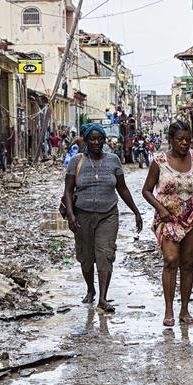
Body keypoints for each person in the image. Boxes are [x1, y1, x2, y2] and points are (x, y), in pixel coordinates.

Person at [63, 123, 143, 313]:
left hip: (108, 214)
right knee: (86, 257)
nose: (97, 142)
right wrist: (71, 216)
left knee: (105, 254)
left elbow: (122, 188)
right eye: (93, 139)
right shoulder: (76, 161)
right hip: (82, 214)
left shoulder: (113, 160)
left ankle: (102, 298)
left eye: (100, 139)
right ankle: (90, 289)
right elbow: (67, 191)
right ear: (86, 140)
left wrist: (136, 211)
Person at [142, 119, 193, 327]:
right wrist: (160, 209)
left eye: (188, 140)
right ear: (171, 139)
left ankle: (185, 310)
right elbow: (146, 190)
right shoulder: (159, 161)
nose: (184, 143)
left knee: (188, 264)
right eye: (180, 139)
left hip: (192, 218)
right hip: (169, 218)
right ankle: (169, 309)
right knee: (171, 260)